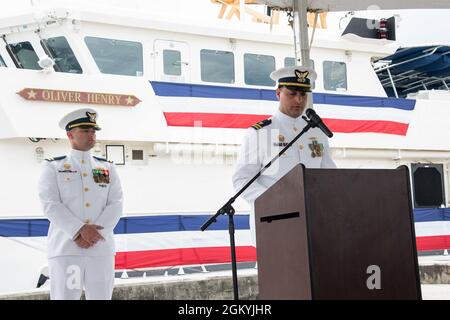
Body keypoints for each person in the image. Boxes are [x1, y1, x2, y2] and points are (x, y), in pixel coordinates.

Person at [232, 66, 336, 247]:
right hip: (273, 225)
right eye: (292, 93)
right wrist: (277, 202)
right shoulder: (260, 133)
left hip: (311, 224)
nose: (299, 100)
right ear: (278, 92)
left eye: (303, 94)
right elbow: (241, 179)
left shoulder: (317, 132)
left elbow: (329, 175)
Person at [38, 108, 123, 300]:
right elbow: (50, 203)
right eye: (85, 130)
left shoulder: (106, 167)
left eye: (93, 131)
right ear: (70, 135)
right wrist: (79, 230)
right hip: (67, 248)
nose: (91, 135)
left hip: (100, 249)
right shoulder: (53, 166)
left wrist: (95, 234)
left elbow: (116, 203)